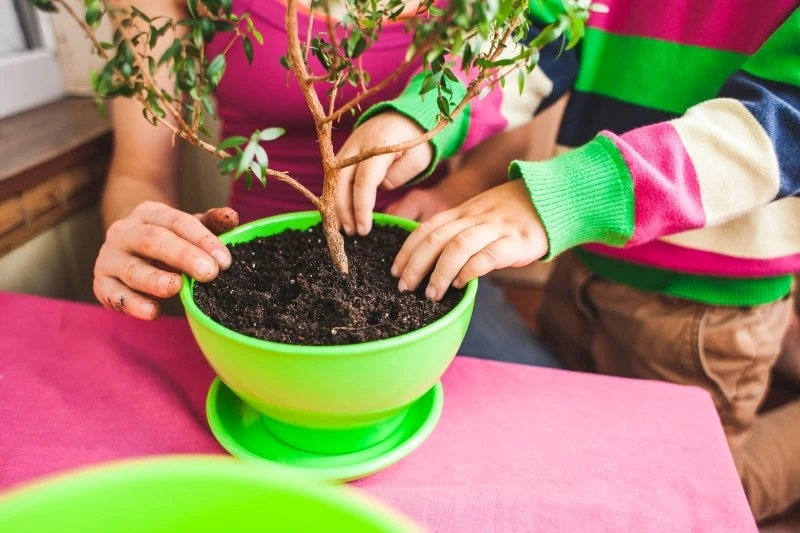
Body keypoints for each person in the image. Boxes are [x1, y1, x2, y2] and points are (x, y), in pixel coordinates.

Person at [340, 0, 800, 522]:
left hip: (702, 307)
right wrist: (424, 115)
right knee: (584, 456)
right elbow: (540, 30)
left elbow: (781, 124)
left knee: (690, 493)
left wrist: (567, 196)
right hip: (582, 258)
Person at [91, 0, 567, 364]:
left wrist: (453, 191)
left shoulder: (498, 11)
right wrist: (148, 238)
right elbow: (139, 173)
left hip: (425, 260)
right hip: (243, 268)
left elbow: (512, 110)